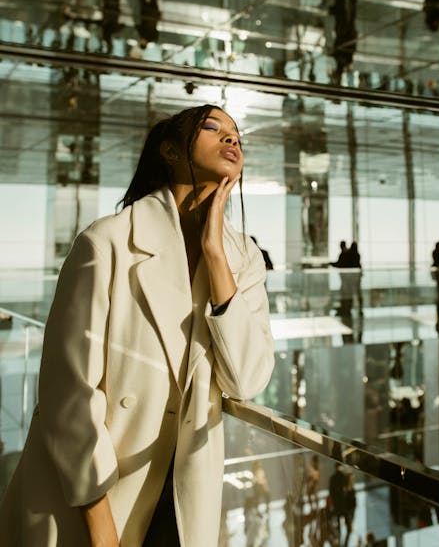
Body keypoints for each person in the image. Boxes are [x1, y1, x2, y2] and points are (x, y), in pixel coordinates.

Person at [0, 104, 275, 546]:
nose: (232, 139)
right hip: (90, 496)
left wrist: (215, 253)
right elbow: (68, 393)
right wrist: (100, 526)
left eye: (237, 134)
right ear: (169, 150)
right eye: (212, 127)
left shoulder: (242, 258)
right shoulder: (106, 241)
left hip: (183, 497)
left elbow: (247, 379)